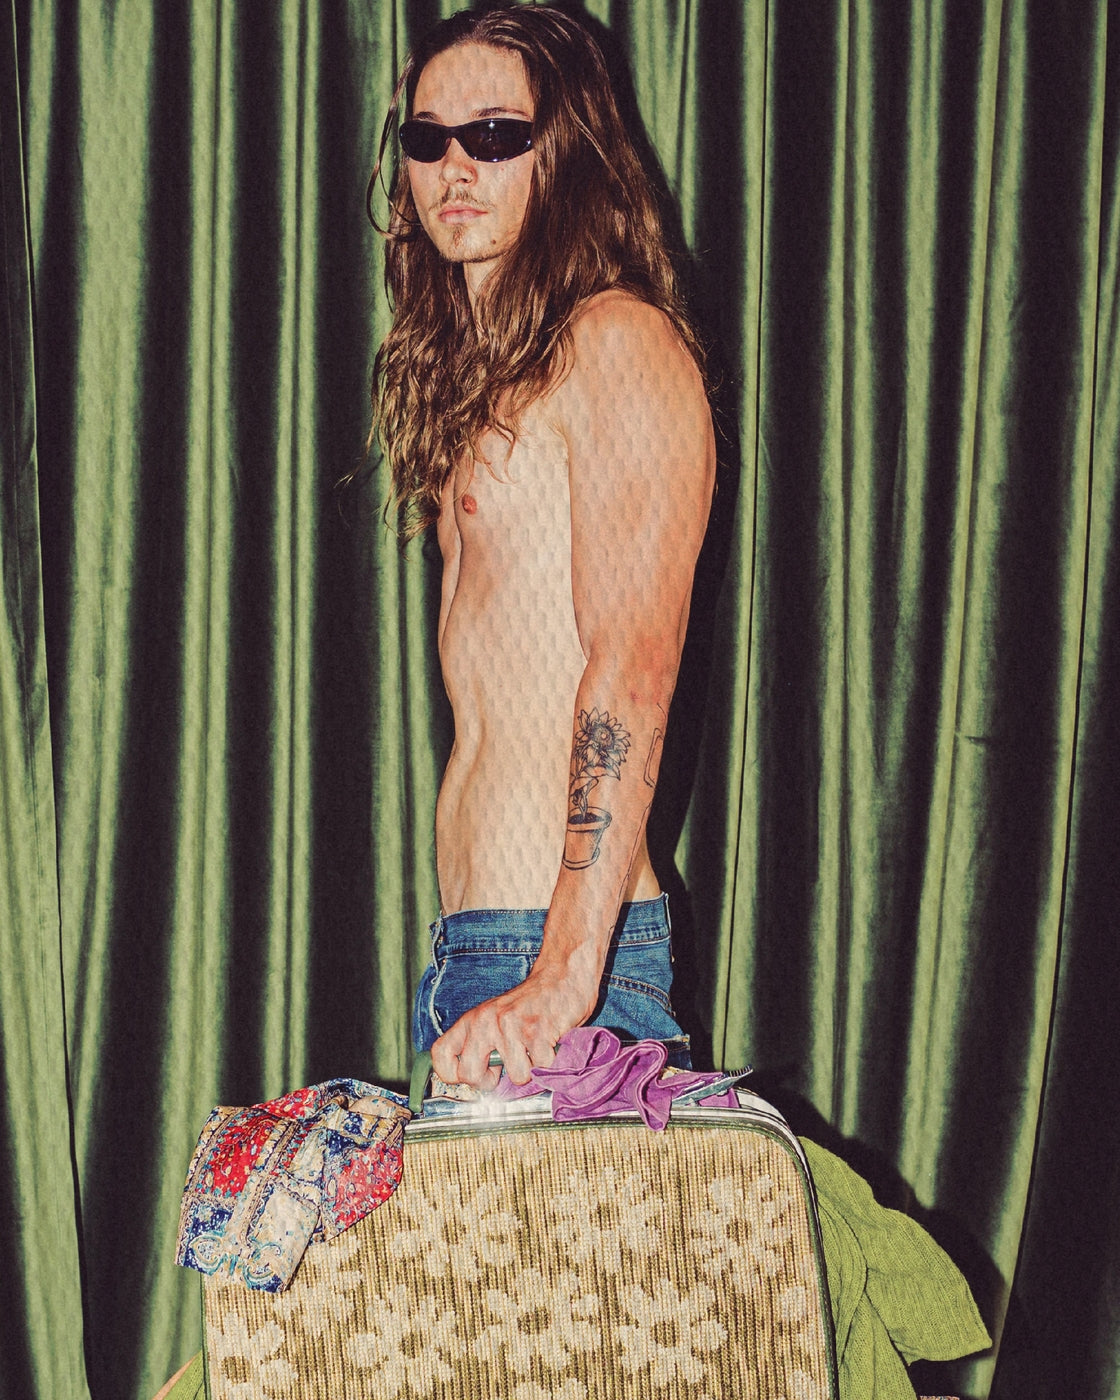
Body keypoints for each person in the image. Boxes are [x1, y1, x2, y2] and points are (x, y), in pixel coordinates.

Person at [369, 4, 715, 1090]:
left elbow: (634, 664)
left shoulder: (617, 342)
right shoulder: (486, 387)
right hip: (476, 952)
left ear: (564, 151)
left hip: (566, 965)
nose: (454, 166)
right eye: (428, 138)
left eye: (495, 135)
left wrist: (565, 972)